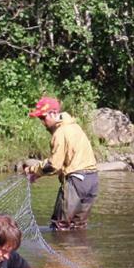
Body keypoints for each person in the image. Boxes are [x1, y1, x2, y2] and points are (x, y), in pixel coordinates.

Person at [25, 96, 99, 230]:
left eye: (43, 118)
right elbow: (67, 161)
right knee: (78, 226)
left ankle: (60, 250)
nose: (42, 122)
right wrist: (39, 175)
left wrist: (33, 170)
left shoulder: (60, 133)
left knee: (60, 226)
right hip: (91, 180)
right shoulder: (75, 127)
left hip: (76, 181)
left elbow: (54, 165)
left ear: (53, 113)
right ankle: (79, 250)